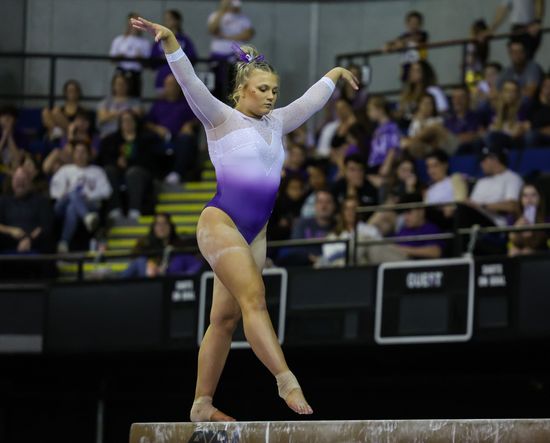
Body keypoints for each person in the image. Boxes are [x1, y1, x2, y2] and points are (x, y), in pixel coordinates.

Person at [131, 16, 358, 421]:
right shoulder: (220, 119)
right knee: (254, 301)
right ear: (241, 91)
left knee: (224, 318)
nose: (270, 97)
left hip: (255, 233)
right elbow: (189, 84)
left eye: (274, 90)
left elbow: (310, 101)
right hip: (221, 224)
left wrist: (335, 73)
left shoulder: (278, 123)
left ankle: (201, 404)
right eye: (262, 90)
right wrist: (169, 43)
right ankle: (286, 380)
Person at [50, 141, 112, 252]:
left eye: (83, 152)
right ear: (73, 154)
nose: (80, 154)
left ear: (88, 155)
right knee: (73, 193)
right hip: (62, 205)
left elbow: (107, 191)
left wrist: (88, 196)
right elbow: (54, 192)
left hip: (88, 203)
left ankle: (64, 242)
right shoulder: (65, 170)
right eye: (77, 152)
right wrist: (67, 194)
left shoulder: (97, 171)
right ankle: (87, 218)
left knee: (72, 208)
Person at [98, 109, 158, 221]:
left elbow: (149, 160)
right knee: (108, 170)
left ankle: (134, 210)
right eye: (124, 121)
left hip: (140, 172)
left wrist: (129, 163)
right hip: (118, 171)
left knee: (133, 173)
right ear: (120, 123)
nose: (127, 123)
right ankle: (115, 209)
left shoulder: (145, 139)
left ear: (136, 122)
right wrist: (117, 162)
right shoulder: (111, 139)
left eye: (130, 120)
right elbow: (104, 159)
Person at [146, 74, 199, 184]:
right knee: (146, 139)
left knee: (186, 139)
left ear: (178, 87)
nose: (169, 87)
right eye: (167, 85)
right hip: (160, 137)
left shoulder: (186, 103)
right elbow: (147, 122)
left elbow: (197, 118)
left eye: (172, 84)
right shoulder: (158, 104)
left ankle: (177, 173)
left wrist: (189, 124)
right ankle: (152, 175)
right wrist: (156, 128)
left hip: (178, 137)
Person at [121, 213, 203, 278]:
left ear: (170, 226)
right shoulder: (144, 243)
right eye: (158, 224)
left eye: (164, 223)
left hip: (170, 279)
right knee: (140, 262)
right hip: (149, 281)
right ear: (153, 227)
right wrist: (150, 263)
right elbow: (134, 259)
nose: (161, 227)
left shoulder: (179, 244)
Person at [208, 0, 254, 99]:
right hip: (218, 54)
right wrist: (222, 10)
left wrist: (225, 36)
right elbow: (212, 29)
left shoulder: (243, 18)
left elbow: (248, 34)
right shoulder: (216, 16)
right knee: (217, 84)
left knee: (239, 77)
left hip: (236, 53)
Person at [150, 9, 198, 92]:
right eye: (165, 20)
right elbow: (152, 58)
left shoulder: (184, 39)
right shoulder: (160, 39)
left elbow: (192, 57)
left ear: (177, 21)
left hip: (180, 79)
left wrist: (175, 57)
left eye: (169, 19)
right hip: (162, 76)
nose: (166, 22)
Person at [109, 12, 151, 97]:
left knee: (134, 98)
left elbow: (148, 63)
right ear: (128, 23)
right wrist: (120, 57)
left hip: (135, 74)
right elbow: (112, 59)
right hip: (120, 73)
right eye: (132, 22)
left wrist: (140, 59)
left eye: (137, 22)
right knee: (118, 97)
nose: (134, 25)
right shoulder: (119, 40)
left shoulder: (145, 43)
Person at [382, 11, 429, 83]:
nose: (413, 26)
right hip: (406, 66)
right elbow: (393, 43)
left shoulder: (423, 34)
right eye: (411, 23)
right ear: (407, 24)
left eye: (416, 23)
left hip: (419, 65)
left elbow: (415, 39)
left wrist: (401, 43)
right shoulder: (403, 36)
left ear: (420, 25)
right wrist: (388, 45)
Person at [96, 72, 143, 138]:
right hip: (108, 134)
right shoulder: (105, 102)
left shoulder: (135, 102)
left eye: (124, 84)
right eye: (118, 84)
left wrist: (112, 114)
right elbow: (102, 118)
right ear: (113, 86)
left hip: (129, 135)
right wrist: (124, 112)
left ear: (128, 86)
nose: (121, 86)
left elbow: (138, 115)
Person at [508, 183, 548, 255]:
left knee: (527, 252)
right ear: (520, 199)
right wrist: (517, 228)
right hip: (519, 250)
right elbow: (511, 240)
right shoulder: (513, 218)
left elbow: (544, 242)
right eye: (525, 196)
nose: (529, 199)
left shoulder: (546, 218)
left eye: (533, 195)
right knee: (513, 251)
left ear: (540, 198)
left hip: (540, 251)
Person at [525, 74, 550, 147]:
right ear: (541, 88)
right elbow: (527, 126)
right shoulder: (532, 106)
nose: (548, 89)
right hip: (535, 136)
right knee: (530, 136)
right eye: (546, 86)